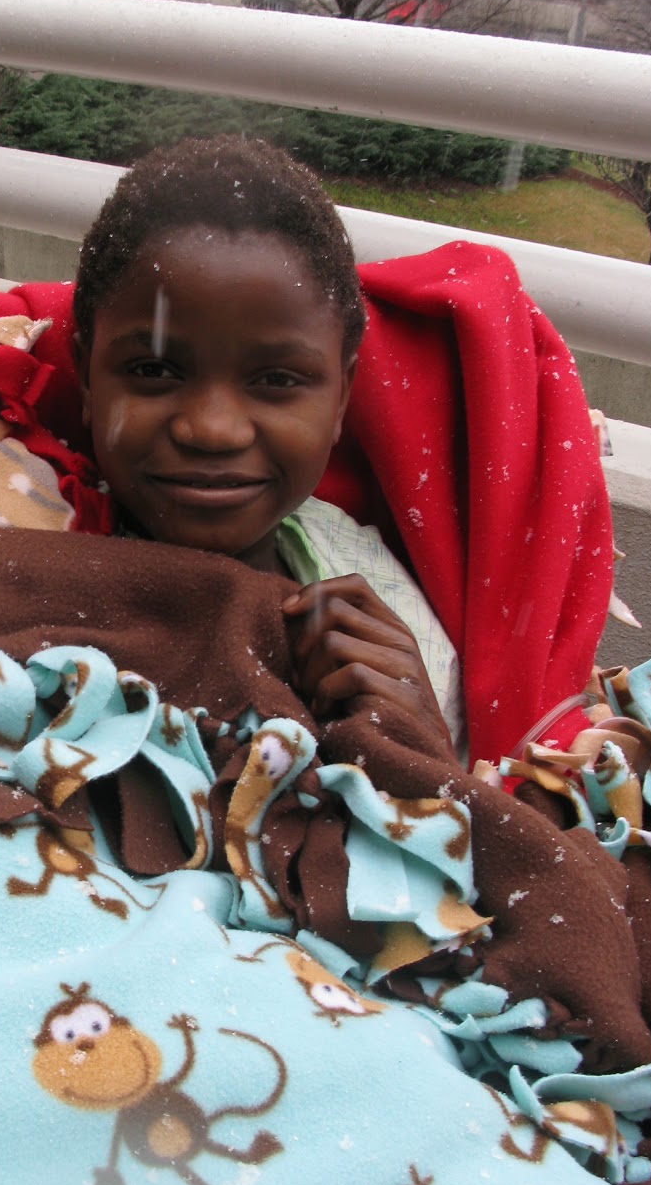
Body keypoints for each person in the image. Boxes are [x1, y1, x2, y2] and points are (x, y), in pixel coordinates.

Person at [70, 135, 462, 756]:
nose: (213, 429)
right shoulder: (22, 529)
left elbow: (451, 793)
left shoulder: (377, 602)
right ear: (86, 377)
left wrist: (416, 740)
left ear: (341, 398)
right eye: (154, 370)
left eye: (276, 380)